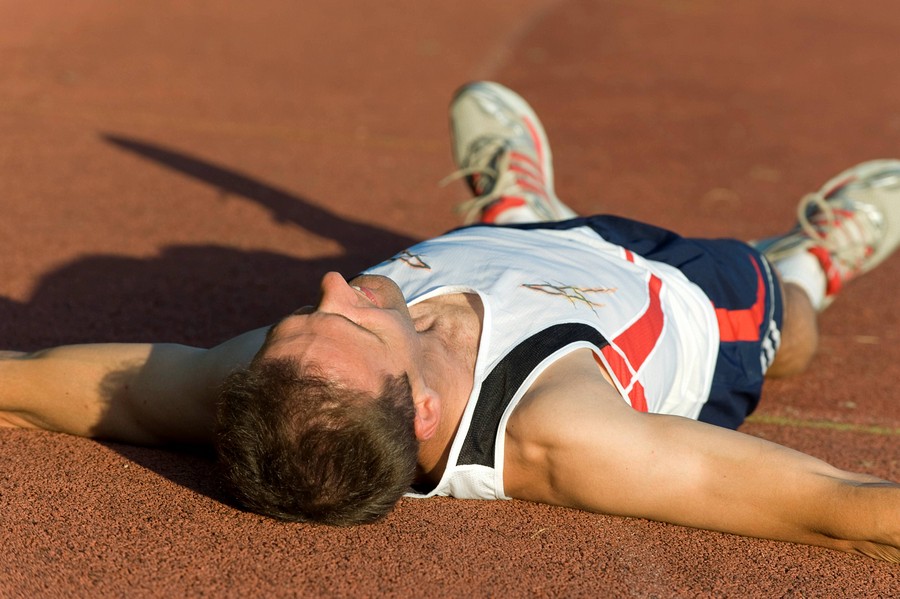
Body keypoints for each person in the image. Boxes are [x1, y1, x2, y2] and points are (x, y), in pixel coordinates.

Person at [2, 82, 899, 562]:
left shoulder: (282, 386)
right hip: (688, 292)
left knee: (487, 238)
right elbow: (831, 505)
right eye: (350, 320)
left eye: (305, 315)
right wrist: (782, 297)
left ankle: (515, 204)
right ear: (422, 412)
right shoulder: (562, 433)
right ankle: (812, 264)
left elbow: (36, 381)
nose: (330, 286)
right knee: (792, 330)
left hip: (513, 253)